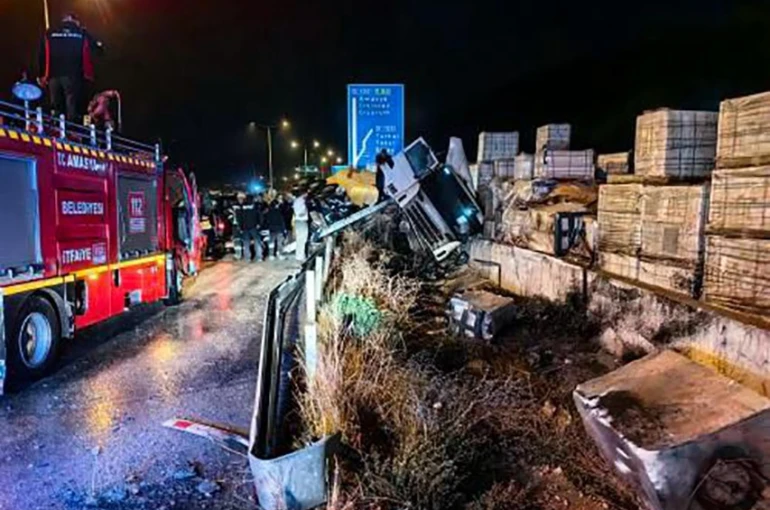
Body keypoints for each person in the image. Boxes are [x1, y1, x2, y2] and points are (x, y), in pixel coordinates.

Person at [38, 13, 104, 122]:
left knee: (55, 103)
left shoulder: (50, 32)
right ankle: (71, 129)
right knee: (71, 103)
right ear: (74, 20)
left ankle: (56, 125)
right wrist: (100, 47)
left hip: (53, 74)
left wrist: (41, 74)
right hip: (73, 74)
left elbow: (41, 53)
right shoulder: (81, 31)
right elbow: (97, 49)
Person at [230, 192, 262, 261]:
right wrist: (259, 224)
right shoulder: (254, 205)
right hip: (252, 226)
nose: (240, 199)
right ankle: (258, 257)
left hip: (246, 227)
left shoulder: (241, 206)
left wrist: (240, 226)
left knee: (246, 243)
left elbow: (239, 217)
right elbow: (259, 214)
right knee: (255, 241)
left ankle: (248, 258)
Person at [293, 190, 310, 261]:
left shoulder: (299, 201)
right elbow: (299, 213)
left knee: (302, 239)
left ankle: (300, 255)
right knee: (301, 239)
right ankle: (300, 256)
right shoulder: (300, 201)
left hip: (300, 222)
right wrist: (305, 211)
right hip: (301, 221)